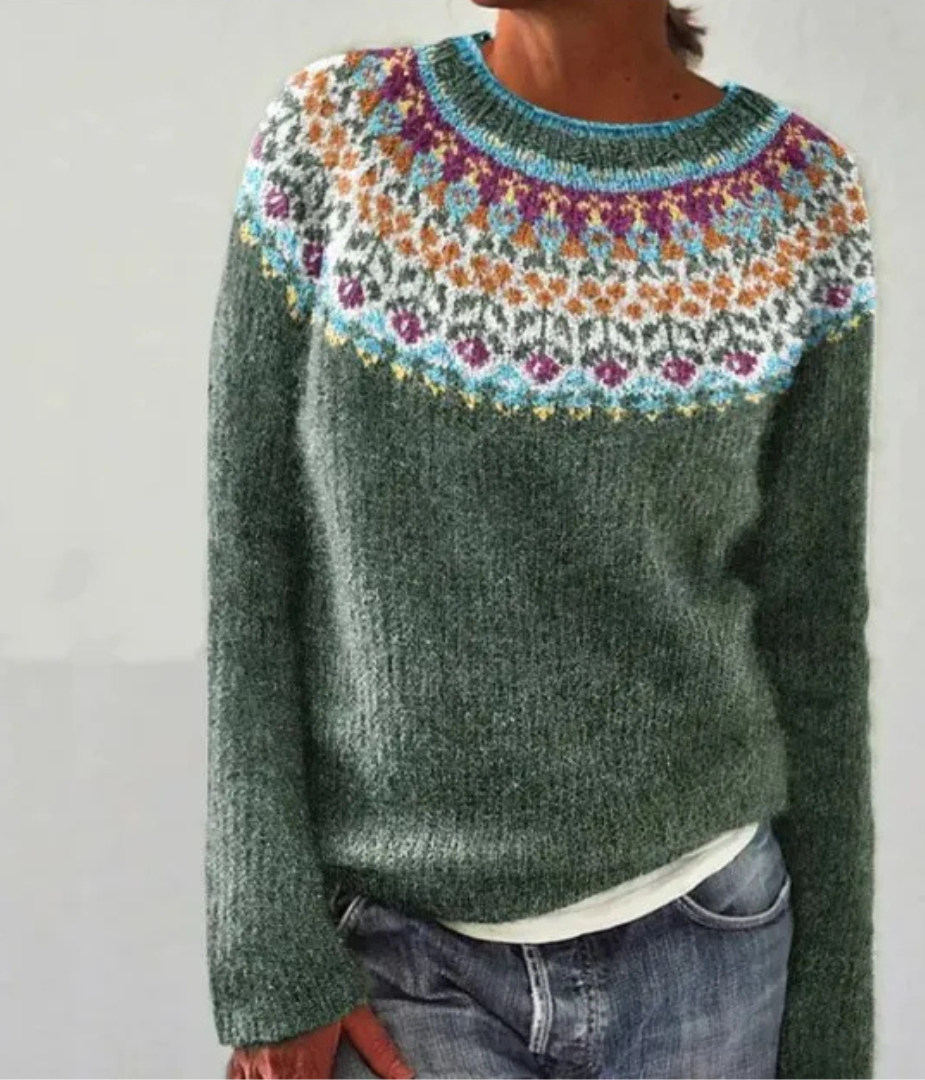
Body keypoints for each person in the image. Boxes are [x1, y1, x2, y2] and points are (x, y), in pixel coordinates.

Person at [204, 1, 878, 1077]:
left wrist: (831, 1041)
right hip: (398, 960)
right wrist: (269, 957)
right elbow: (250, 561)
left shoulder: (797, 196)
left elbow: (814, 622)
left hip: (709, 948)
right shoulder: (341, 135)